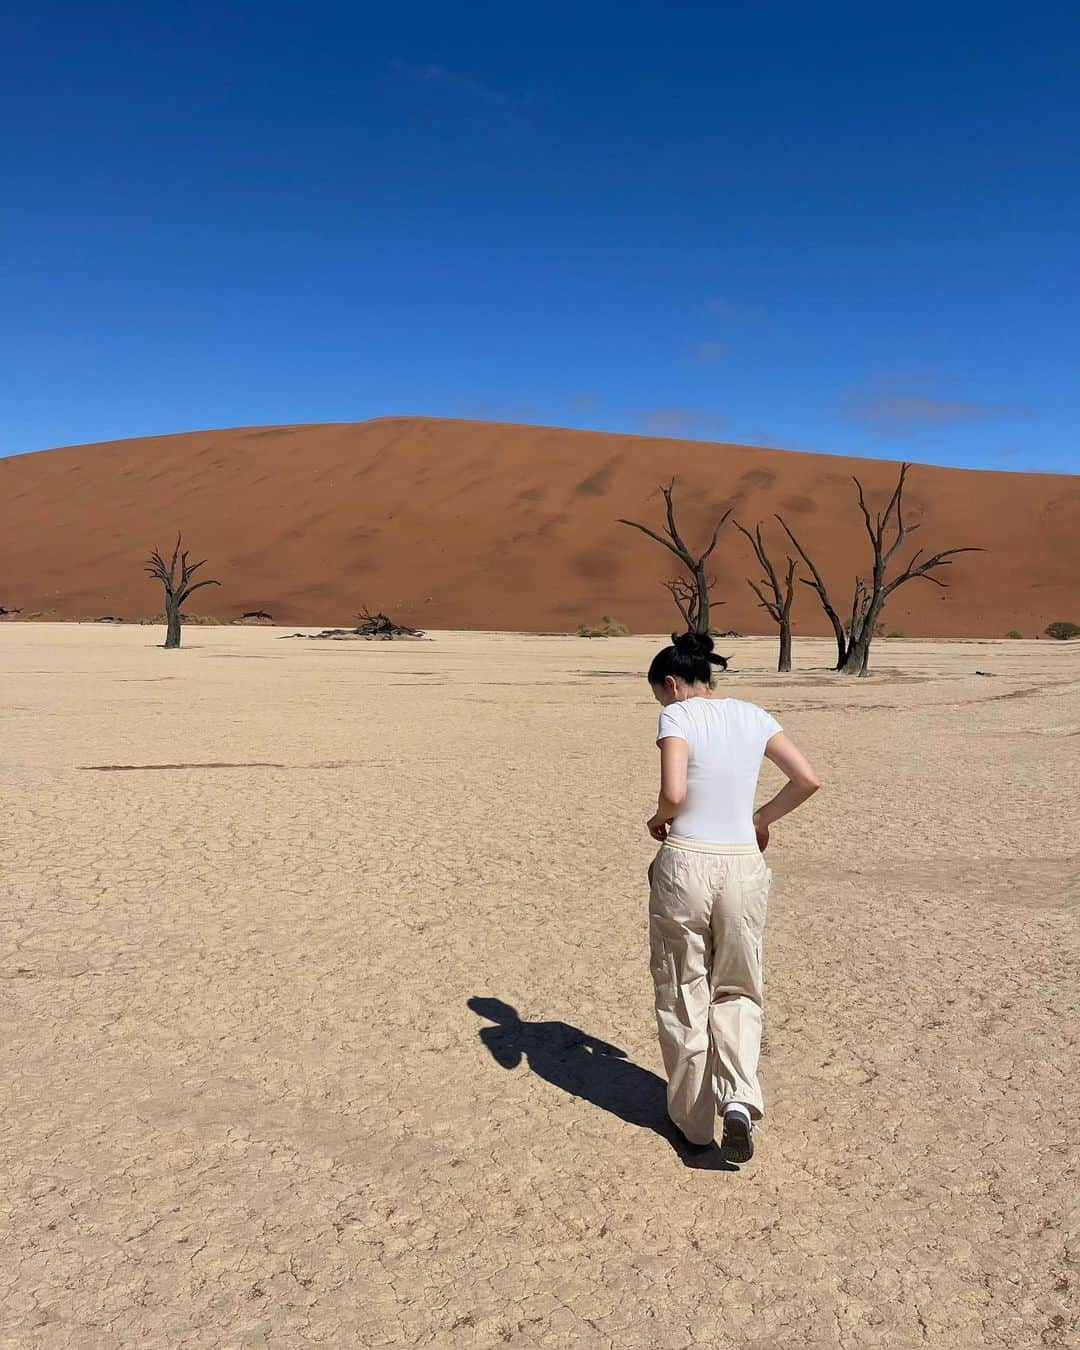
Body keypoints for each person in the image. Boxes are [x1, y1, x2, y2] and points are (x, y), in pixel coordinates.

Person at [645, 631, 820, 1162]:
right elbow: (807, 779)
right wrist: (760, 819)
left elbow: (675, 794)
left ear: (673, 684)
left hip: (687, 863)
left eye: (659, 693)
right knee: (740, 987)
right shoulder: (754, 714)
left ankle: (695, 1124)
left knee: (683, 990)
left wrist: (658, 820)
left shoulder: (678, 716)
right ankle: (740, 1099)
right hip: (745, 865)